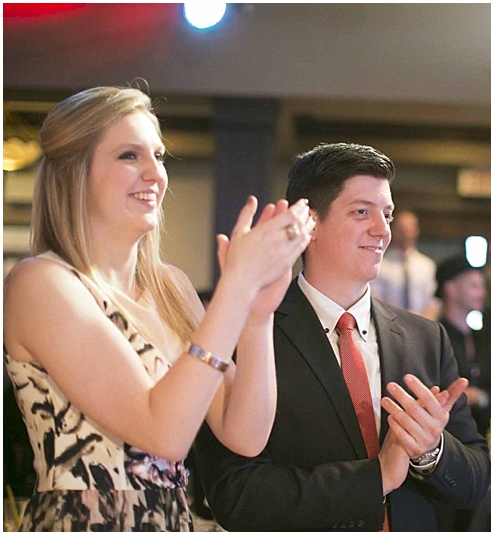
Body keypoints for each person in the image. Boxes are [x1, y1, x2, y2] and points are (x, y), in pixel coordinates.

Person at [2, 86, 315, 531]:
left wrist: (257, 313)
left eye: (160, 155)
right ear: (76, 172)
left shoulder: (170, 286)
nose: (155, 174)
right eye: (129, 156)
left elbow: (245, 436)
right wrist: (236, 287)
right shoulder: (42, 283)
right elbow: (164, 434)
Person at [193, 143, 491, 531]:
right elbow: (236, 495)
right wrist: (377, 477)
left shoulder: (424, 337)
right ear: (309, 224)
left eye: (387, 214)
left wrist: (430, 451)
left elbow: (474, 481)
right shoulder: (249, 331)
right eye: (361, 212)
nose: (383, 231)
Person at [436, 255, 491, 437]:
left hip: (481, 439)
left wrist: (479, 397)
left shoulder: (481, 338)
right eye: (474, 286)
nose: (482, 293)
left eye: (482, 287)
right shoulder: (434, 338)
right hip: (445, 443)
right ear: (450, 289)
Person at [371, 210, 438, 318]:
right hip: (389, 325)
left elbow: (432, 301)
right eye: (401, 229)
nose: (406, 233)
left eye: (410, 228)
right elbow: (375, 300)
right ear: (392, 230)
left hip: (420, 325)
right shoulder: (379, 265)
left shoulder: (427, 265)